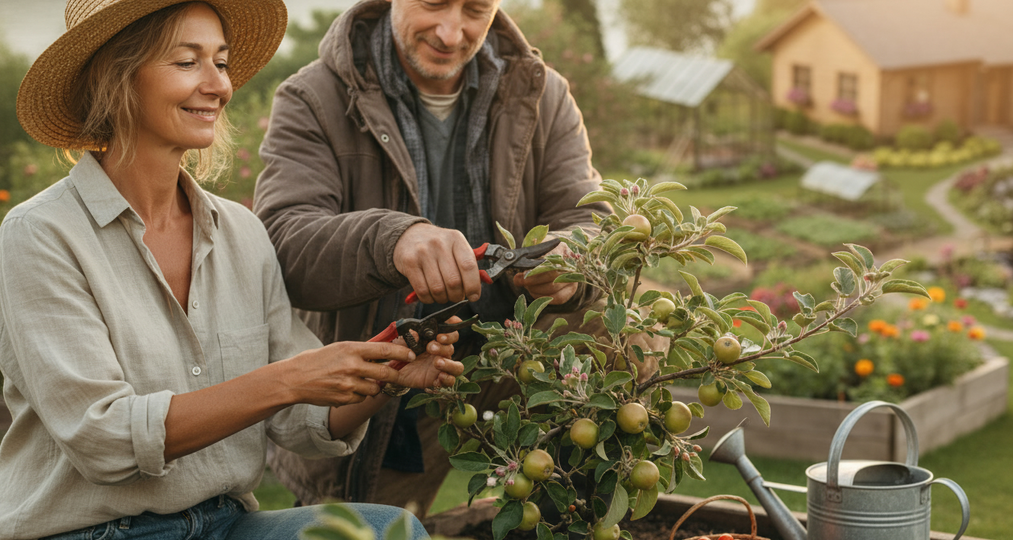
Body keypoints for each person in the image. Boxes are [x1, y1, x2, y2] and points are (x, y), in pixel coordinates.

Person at [0, 1, 464, 539]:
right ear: (116, 77)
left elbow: (300, 421)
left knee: (390, 531)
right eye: (187, 62)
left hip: (226, 524)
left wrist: (383, 378)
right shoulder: (40, 235)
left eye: (220, 63)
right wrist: (286, 380)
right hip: (94, 532)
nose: (218, 85)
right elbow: (105, 439)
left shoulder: (241, 232)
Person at [252, 0, 621, 516]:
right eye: (433, 3)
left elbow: (589, 221)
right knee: (367, 526)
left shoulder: (543, 94)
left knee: (626, 327)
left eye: (475, 9)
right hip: (389, 391)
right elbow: (281, 244)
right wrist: (393, 241)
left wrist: (570, 264)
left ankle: (576, 505)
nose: (452, 33)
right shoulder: (312, 97)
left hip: (513, 356)